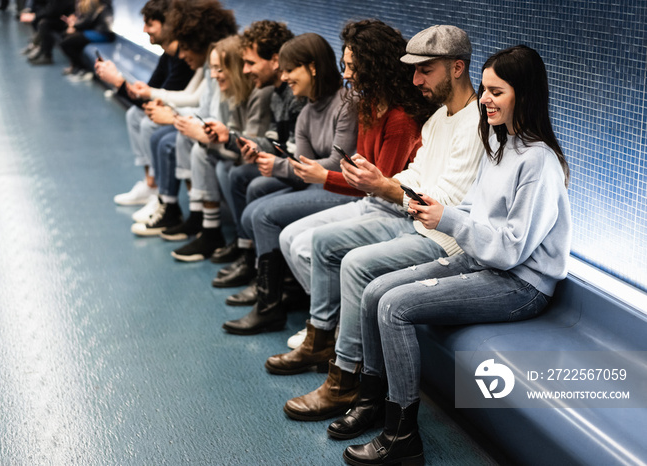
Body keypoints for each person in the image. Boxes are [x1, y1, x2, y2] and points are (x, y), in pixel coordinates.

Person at [343, 44, 572, 466]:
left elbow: (509, 249)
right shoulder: (501, 144)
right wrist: (433, 205)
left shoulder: (539, 161)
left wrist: (448, 220)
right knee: (375, 290)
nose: (484, 99)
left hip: (520, 283)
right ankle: (372, 398)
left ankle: (402, 436)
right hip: (481, 261)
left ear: (525, 94)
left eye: (496, 91)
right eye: (484, 89)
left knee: (394, 307)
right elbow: (475, 210)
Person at [273, 25, 485, 427]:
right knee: (321, 243)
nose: (416, 79)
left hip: (445, 239)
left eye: (426, 70)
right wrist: (382, 182)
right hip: (414, 221)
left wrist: (386, 186)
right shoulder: (439, 118)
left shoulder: (476, 123)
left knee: (355, 264)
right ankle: (328, 350)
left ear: (457, 68)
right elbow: (419, 173)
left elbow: (447, 201)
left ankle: (345, 378)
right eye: (413, 70)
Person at [221, 21, 438, 335]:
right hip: (368, 199)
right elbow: (353, 173)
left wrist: (324, 176)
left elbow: (380, 185)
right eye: (344, 66)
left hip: (389, 207)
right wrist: (320, 173)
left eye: (353, 67)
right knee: (281, 227)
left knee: (281, 224)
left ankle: (323, 324)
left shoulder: (398, 117)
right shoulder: (361, 106)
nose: (347, 74)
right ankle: (322, 319)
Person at [218, 32, 360, 333]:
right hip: (318, 185)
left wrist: (280, 165)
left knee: (264, 215)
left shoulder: (347, 103)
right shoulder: (307, 112)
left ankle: (270, 305)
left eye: (289, 70)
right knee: (255, 195)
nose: (283, 77)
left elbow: (338, 164)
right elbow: (303, 168)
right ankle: (281, 291)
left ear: (311, 67)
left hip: (344, 189)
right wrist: (276, 164)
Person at [202, 20, 302, 275]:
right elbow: (274, 141)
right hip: (290, 166)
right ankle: (249, 255)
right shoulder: (278, 93)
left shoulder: (292, 94)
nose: (245, 70)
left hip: (304, 174)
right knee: (238, 174)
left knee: (246, 179)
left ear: (275, 60)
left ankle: (260, 267)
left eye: (251, 63)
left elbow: (296, 153)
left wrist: (236, 141)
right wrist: (230, 138)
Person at [129, 0, 237, 236]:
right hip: (208, 128)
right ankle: (178, 208)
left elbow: (215, 116)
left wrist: (173, 115)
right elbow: (198, 102)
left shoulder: (220, 68)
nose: (182, 54)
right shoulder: (208, 65)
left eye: (186, 46)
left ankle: (195, 218)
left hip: (226, 139)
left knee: (172, 141)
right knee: (166, 136)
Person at [162, 35, 273, 260]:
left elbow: (250, 149)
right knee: (198, 149)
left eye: (219, 69)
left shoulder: (259, 94)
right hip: (244, 154)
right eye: (212, 69)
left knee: (224, 167)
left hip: (263, 162)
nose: (213, 75)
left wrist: (205, 136)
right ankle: (207, 225)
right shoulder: (233, 93)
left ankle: (242, 242)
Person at [94, 0, 196, 207]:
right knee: (134, 114)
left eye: (150, 24)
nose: (144, 29)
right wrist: (121, 82)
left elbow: (158, 102)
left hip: (188, 115)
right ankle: (150, 184)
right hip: (175, 109)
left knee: (150, 124)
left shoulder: (183, 60)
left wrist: (119, 83)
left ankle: (162, 193)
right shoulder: (168, 56)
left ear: (168, 25)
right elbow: (150, 96)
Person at [58, 0, 115, 80]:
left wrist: (74, 26)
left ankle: (83, 68)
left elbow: (88, 21)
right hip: (97, 31)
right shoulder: (98, 3)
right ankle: (76, 66)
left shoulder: (96, 3)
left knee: (66, 43)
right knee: (68, 38)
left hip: (102, 33)